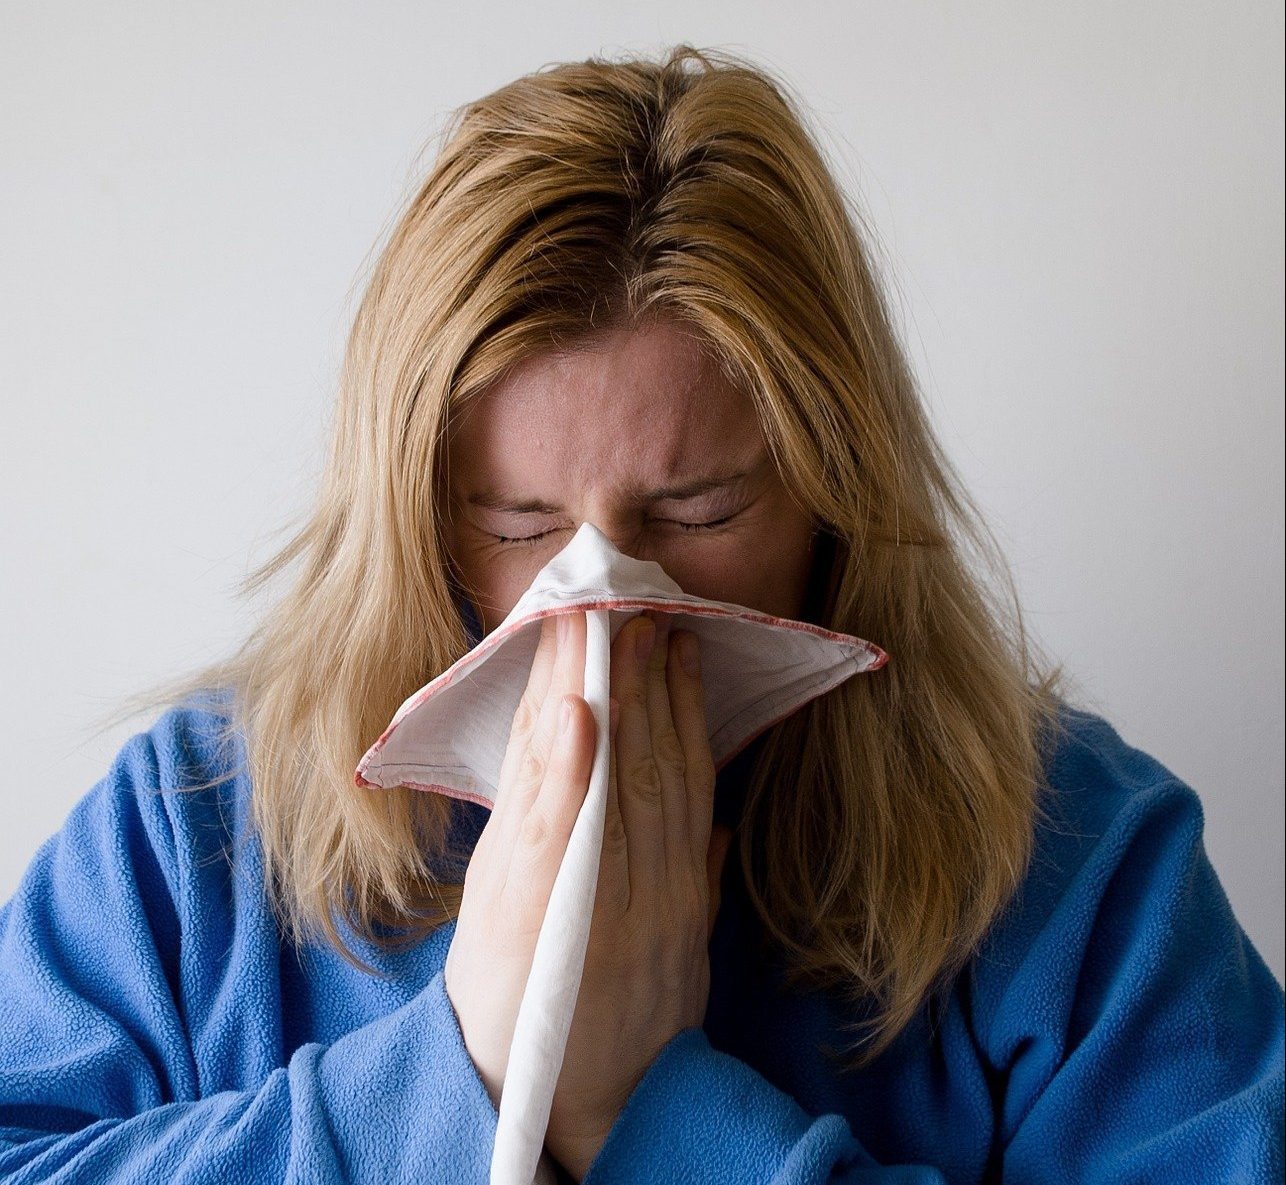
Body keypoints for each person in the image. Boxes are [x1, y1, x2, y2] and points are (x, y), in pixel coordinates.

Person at [1, 43, 1281, 1185]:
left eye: (700, 511)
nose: (603, 604)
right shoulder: (196, 836)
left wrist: (647, 1115)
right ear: (412, 517)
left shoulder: (1074, 858)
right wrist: (469, 1069)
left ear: (832, 497)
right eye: (518, 525)